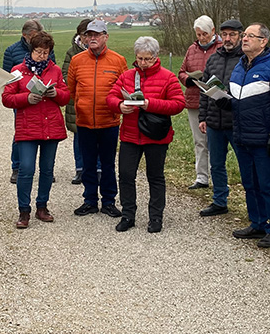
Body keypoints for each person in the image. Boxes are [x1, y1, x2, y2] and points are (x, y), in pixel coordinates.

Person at [222, 22, 270, 248]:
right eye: (244, 35)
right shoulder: (240, 66)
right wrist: (224, 101)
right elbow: (239, 99)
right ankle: (257, 223)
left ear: (263, 41)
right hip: (241, 135)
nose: (244, 39)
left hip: (264, 139)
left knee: (268, 185)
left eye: (250, 36)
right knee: (249, 183)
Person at [107, 36, 186, 233]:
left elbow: (178, 104)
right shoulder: (127, 76)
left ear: (155, 57)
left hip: (156, 135)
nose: (143, 63)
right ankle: (128, 214)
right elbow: (110, 96)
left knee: (155, 176)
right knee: (125, 175)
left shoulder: (168, 77)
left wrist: (150, 104)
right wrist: (119, 105)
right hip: (130, 134)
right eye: (139, 58)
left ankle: (156, 217)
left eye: (147, 59)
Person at [2, 31, 70, 228]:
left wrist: (56, 93)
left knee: (47, 170)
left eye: (46, 53)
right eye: (39, 52)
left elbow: (65, 98)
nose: (42, 56)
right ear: (31, 51)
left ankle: (42, 206)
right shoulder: (17, 71)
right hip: (27, 127)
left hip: (51, 127)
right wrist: (26, 99)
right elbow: (6, 98)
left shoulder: (55, 70)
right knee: (26, 169)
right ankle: (24, 211)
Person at [66, 19, 127, 218]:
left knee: (108, 164)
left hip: (108, 121)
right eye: (89, 35)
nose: (92, 38)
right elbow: (72, 90)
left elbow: (124, 90)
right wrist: (82, 106)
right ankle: (90, 200)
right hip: (85, 121)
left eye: (97, 35)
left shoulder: (118, 61)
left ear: (105, 37)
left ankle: (109, 201)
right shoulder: (77, 60)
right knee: (89, 164)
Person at [196, 19, 244, 217]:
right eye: (225, 35)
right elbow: (205, 90)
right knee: (216, 164)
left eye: (232, 35)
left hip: (237, 121)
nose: (228, 38)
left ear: (240, 36)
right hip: (215, 120)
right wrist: (203, 116)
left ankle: (254, 205)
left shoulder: (245, 60)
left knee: (245, 165)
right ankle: (219, 200)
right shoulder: (214, 59)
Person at [178, 16, 220, 190]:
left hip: (215, 99)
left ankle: (216, 174)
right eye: (198, 34)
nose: (202, 38)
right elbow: (181, 72)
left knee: (214, 141)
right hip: (195, 98)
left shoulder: (221, 48)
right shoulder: (192, 49)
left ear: (212, 32)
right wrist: (188, 79)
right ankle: (202, 176)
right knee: (199, 140)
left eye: (205, 34)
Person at [3, 20, 45, 184]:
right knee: (20, 133)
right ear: (25, 35)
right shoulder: (12, 51)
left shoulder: (47, 49)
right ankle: (17, 167)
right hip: (21, 100)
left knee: (44, 132)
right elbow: (6, 78)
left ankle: (44, 169)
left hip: (42, 98)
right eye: (34, 37)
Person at [62, 18, 91, 184]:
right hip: (77, 99)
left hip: (97, 100)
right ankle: (80, 169)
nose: (88, 38)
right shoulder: (72, 52)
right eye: (84, 35)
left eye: (91, 34)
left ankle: (97, 169)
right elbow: (65, 75)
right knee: (79, 137)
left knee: (98, 138)